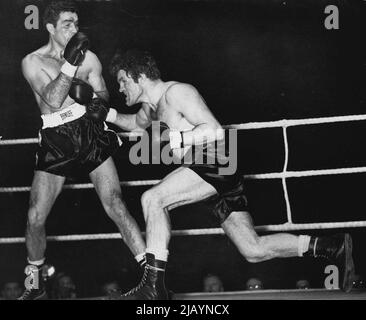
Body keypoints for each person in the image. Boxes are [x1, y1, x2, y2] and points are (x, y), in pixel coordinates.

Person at [90, 49, 355, 299]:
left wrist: (178, 139)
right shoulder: (151, 108)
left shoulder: (177, 93)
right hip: (208, 171)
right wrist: (106, 114)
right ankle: (331, 246)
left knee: (152, 199)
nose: (120, 88)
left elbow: (215, 130)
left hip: (214, 161)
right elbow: (136, 125)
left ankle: (153, 287)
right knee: (253, 249)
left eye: (123, 80)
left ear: (141, 76)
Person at [19, 1, 146, 300]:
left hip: (89, 131)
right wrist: (70, 65)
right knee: (36, 216)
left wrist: (92, 98)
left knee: (115, 203)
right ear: (50, 28)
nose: (75, 29)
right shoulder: (32, 61)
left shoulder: (90, 57)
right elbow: (51, 99)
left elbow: (102, 96)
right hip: (55, 136)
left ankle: (152, 276)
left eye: (76, 23)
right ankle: (34, 286)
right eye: (67, 24)